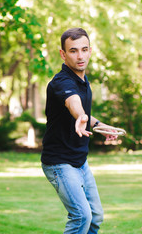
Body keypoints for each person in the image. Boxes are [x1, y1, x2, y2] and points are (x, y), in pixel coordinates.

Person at [41, 27, 118, 234]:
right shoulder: (61, 81)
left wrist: (97, 124)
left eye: (84, 49)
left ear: (90, 51)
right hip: (59, 162)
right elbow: (73, 103)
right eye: (73, 51)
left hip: (79, 161)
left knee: (95, 217)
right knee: (82, 216)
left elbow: (82, 113)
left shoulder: (82, 81)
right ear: (63, 54)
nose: (80, 56)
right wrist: (81, 116)